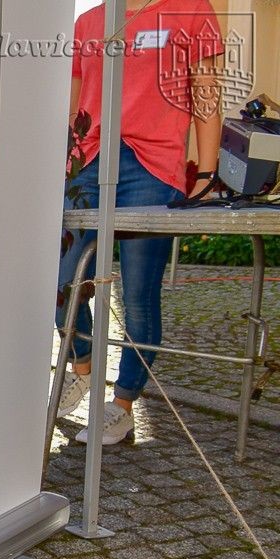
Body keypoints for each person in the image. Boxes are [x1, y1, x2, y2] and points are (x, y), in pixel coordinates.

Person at [55, 0, 223, 444]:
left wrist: (206, 175)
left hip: (152, 167)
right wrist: (62, 164)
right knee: (61, 283)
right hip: (87, 164)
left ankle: (123, 404)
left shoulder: (190, 10)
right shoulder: (88, 22)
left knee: (138, 296)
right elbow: (73, 108)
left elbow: (206, 97)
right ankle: (82, 367)